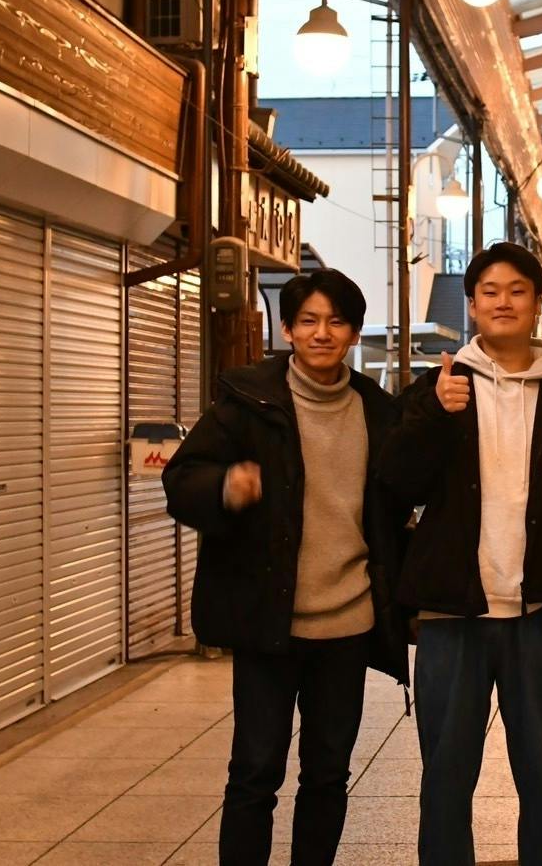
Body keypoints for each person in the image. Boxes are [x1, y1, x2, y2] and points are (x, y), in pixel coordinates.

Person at [379, 241, 542, 866]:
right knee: (445, 779)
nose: (503, 302)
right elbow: (393, 483)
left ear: (538, 302)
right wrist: (434, 416)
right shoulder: (437, 389)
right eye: (489, 291)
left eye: (518, 290)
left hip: (538, 617)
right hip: (451, 618)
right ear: (471, 305)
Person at [162, 269, 411, 866]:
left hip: (347, 625)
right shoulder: (248, 404)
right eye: (308, 321)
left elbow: (399, 502)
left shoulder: (378, 412)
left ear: (354, 332)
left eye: (336, 322)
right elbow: (181, 479)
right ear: (288, 329)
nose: (322, 333)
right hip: (269, 623)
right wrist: (224, 486)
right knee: (255, 771)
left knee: (328, 773)